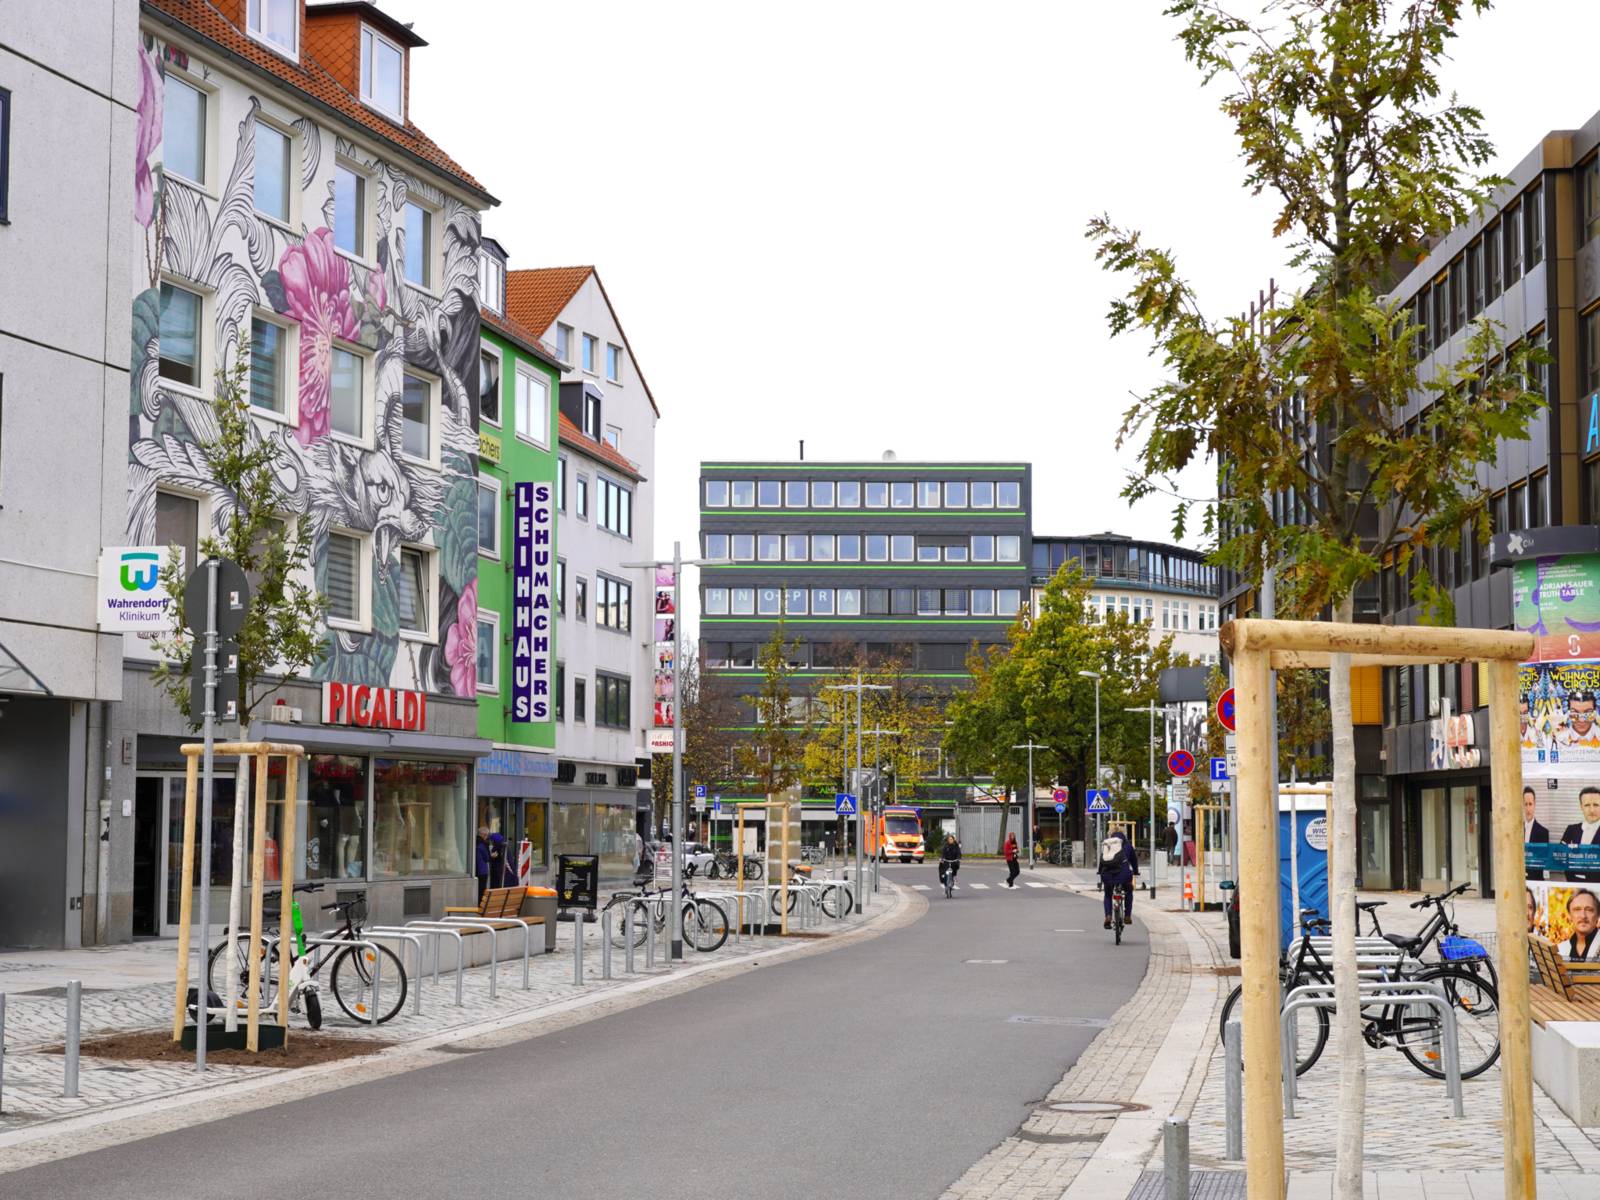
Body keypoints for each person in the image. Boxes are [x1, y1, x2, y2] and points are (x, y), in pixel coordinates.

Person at [1098, 828, 1138, 929]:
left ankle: (1108, 915)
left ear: (1110, 835)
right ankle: (1127, 915)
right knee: (1129, 890)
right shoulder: (1128, 845)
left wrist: (1099, 871)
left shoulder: (1107, 845)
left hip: (1107, 875)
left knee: (1108, 894)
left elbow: (1102, 860)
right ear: (1123, 835)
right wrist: (1136, 871)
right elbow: (1134, 861)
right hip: (1124, 875)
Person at [1561, 786, 1600, 883]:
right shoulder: (1571, 830)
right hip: (1572, 885)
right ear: (1581, 807)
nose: (1591, 810)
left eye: (1596, 805)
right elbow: (1559, 857)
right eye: (1587, 805)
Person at [1565, 889, 1600, 961]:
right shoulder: (1560, 949)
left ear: (1598, 915)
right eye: (1577, 909)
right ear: (1569, 916)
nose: (1583, 916)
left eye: (1589, 910)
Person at [1525, 786, 1551, 881]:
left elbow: (1543, 860)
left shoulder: (1543, 832)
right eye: (1525, 804)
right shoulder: (1517, 831)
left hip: (1536, 879)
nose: (1528, 808)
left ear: (1534, 805)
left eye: (1530, 804)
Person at [474, 826, 492, 900]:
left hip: (474, 869)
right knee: (481, 890)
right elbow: (486, 858)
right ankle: (480, 906)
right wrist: (491, 856)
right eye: (486, 835)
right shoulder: (482, 844)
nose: (486, 837)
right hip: (482, 871)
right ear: (483, 835)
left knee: (477, 889)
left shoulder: (473, 842)